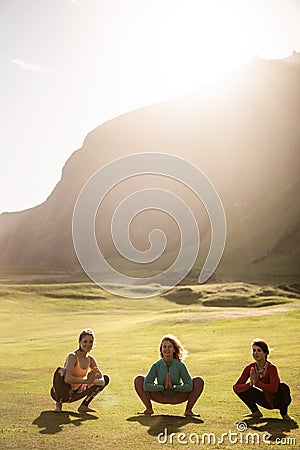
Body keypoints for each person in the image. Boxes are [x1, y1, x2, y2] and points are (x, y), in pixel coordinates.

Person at [134, 334, 204, 416]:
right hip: (160, 395)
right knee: (139, 380)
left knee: (198, 381)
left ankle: (188, 410)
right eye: (165, 347)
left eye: (170, 347)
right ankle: (148, 409)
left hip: (177, 396)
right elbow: (146, 385)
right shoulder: (156, 365)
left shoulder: (180, 365)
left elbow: (189, 386)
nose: (167, 349)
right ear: (161, 349)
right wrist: (162, 387)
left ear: (174, 349)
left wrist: (175, 387)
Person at [233, 338, 295, 421]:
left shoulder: (272, 368)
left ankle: (285, 415)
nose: (255, 353)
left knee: (283, 387)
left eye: (259, 350)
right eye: (254, 350)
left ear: (265, 353)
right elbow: (236, 387)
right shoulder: (250, 368)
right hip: (265, 400)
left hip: (277, 400)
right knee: (242, 388)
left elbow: (274, 389)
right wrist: (250, 384)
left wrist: (257, 383)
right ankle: (255, 412)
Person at [50, 328, 109, 413]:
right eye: (85, 341)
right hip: (63, 392)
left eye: (90, 342)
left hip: (76, 393)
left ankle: (84, 406)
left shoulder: (90, 359)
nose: (88, 344)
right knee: (60, 371)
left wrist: (94, 380)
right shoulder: (72, 356)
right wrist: (87, 381)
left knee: (106, 378)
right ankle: (58, 405)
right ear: (79, 341)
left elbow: (102, 379)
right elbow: (67, 379)